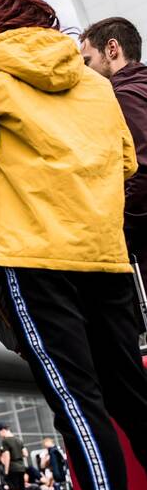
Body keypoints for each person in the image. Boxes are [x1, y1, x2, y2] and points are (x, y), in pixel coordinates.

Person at [0, 0, 147, 490]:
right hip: (104, 257)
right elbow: (126, 162)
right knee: (132, 395)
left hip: (29, 255)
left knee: (75, 399)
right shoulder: (94, 81)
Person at [80, 17, 147, 293]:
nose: (84, 72)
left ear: (112, 49)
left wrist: (115, 235)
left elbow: (140, 172)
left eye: (87, 61)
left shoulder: (123, 96)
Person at [0, 423, 29, 490]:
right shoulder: (18, 439)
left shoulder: (5, 441)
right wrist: (17, 454)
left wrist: (6, 471)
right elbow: (25, 454)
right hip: (21, 467)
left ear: (3, 430)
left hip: (12, 468)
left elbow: (7, 456)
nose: (0, 435)